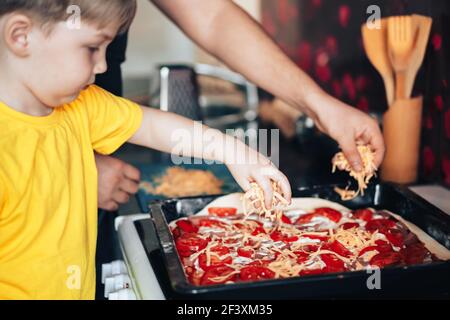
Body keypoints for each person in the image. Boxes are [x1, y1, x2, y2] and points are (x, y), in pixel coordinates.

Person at [0, 0, 290, 299]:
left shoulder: (81, 106)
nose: (102, 65)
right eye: (92, 48)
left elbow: (152, 126)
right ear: (21, 36)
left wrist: (234, 152)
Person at [95, 0, 386, 212]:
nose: (100, 66)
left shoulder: (99, 107)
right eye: (91, 48)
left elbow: (213, 17)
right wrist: (76, 169)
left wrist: (320, 106)